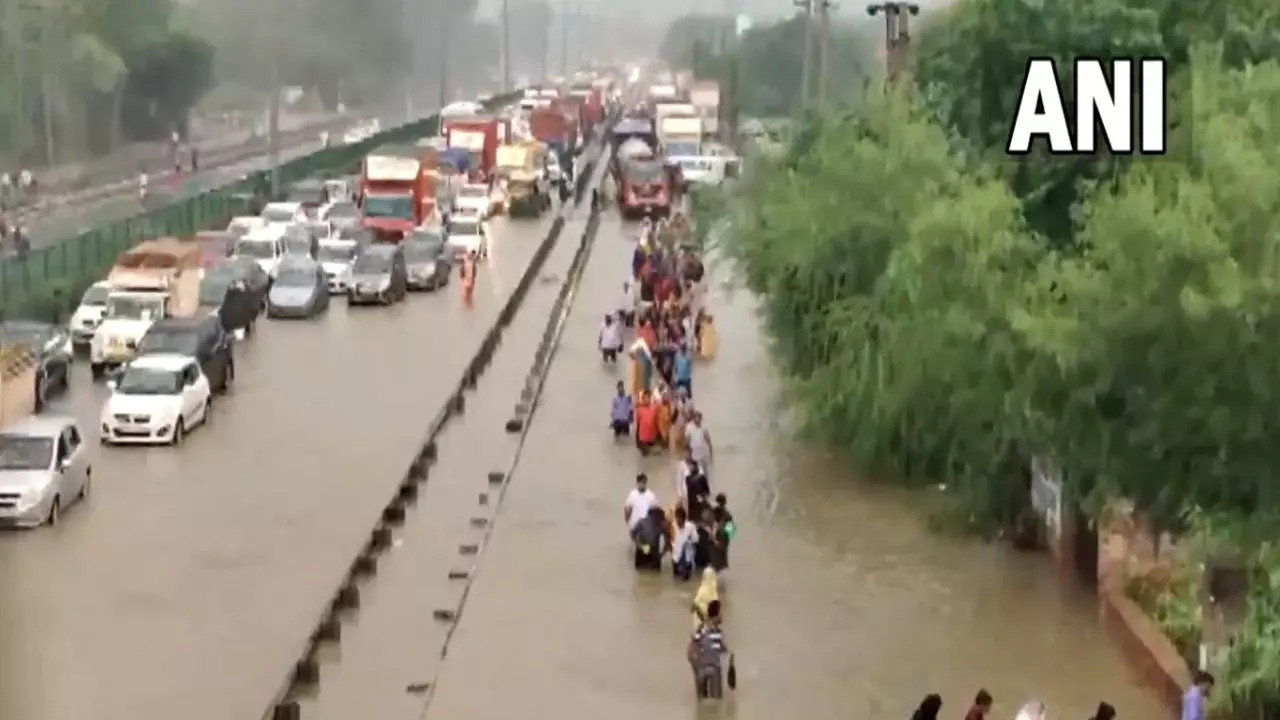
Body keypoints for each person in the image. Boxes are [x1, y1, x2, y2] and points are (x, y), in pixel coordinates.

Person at [688, 598, 729, 699]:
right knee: (716, 701)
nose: (723, 616)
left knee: (703, 701)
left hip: (702, 668)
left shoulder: (705, 628)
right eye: (721, 613)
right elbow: (693, 647)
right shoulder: (714, 631)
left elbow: (694, 646)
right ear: (716, 614)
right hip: (712, 668)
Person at [670, 506, 698, 580]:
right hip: (676, 558)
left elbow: (696, 540)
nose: (677, 522)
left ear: (684, 519)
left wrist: (688, 542)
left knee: (686, 579)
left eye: (679, 520)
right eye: (676, 519)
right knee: (676, 580)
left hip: (687, 558)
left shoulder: (691, 526)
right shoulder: (673, 525)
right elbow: (671, 539)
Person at [684, 411, 713, 478]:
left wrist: (711, 457)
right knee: (695, 475)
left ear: (701, 419)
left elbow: (709, 443)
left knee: (705, 476)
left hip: (704, 456)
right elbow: (686, 444)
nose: (697, 420)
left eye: (699, 419)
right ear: (694, 419)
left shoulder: (704, 429)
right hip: (694, 457)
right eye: (696, 418)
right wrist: (687, 458)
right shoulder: (689, 428)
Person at [634, 391, 659, 455]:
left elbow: (656, 423)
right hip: (642, 439)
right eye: (644, 398)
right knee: (646, 454)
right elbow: (637, 425)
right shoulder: (639, 410)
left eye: (648, 398)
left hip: (651, 438)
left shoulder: (654, 409)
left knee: (656, 453)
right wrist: (637, 440)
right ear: (642, 399)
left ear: (650, 398)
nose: (646, 399)